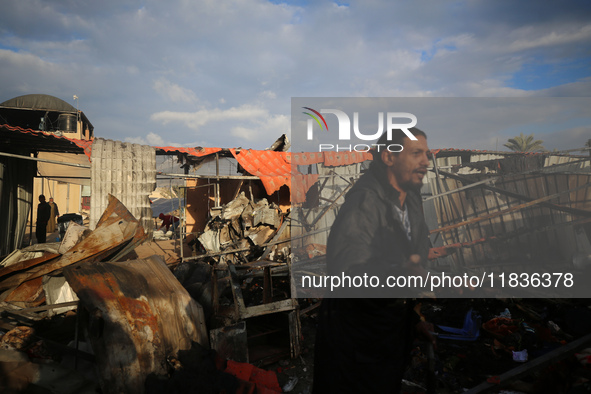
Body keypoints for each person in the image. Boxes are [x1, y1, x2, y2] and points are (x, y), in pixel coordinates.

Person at [312, 128, 436, 393]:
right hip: (356, 341)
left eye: (426, 153)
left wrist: (412, 322)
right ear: (388, 158)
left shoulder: (410, 200)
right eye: (416, 153)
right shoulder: (365, 202)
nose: (426, 161)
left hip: (387, 335)